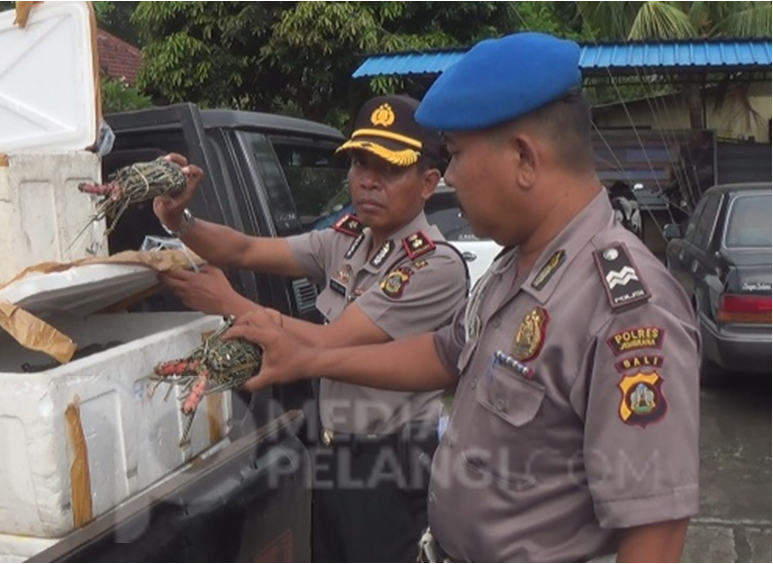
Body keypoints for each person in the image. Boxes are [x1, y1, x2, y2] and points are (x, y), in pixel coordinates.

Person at [228, 32, 701, 563]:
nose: (447, 176)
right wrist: (312, 357)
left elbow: (654, 533)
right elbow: (443, 353)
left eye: (453, 155)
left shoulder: (626, 306)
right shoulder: (513, 268)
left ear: (524, 158)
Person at [153, 95, 470, 563]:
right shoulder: (346, 240)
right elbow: (243, 250)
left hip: (387, 466)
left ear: (428, 183)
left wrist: (230, 303)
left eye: (389, 169)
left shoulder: (432, 265)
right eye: (361, 163)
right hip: (327, 452)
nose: (368, 180)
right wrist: (179, 219)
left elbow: (327, 343)